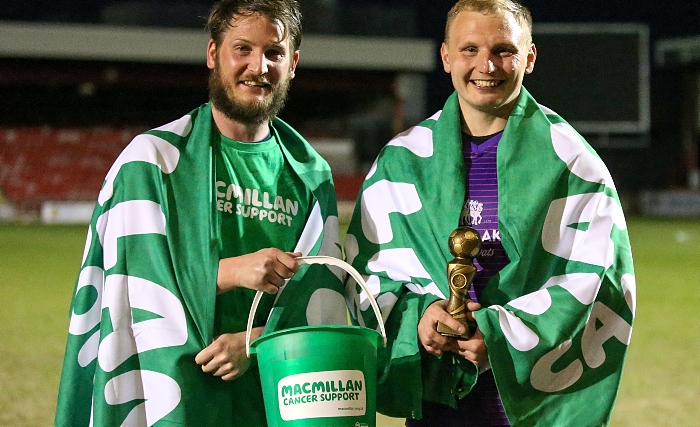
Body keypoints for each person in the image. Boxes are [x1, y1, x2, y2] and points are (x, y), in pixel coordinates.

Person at [344, 0, 636, 425]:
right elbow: (366, 273)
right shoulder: (402, 162)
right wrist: (421, 316)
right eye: (470, 50)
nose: (487, 65)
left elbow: (599, 278)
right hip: (436, 391)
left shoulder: (572, 162)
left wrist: (500, 335)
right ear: (446, 56)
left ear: (529, 57)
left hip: (522, 397)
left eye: (503, 50)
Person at [55, 1, 346, 426]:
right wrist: (229, 272)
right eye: (242, 49)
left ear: (294, 63)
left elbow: (326, 297)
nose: (258, 66)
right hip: (170, 397)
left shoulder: (311, 174)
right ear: (214, 54)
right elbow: (126, 287)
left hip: (269, 399)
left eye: (274, 53)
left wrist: (256, 343)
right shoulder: (151, 161)